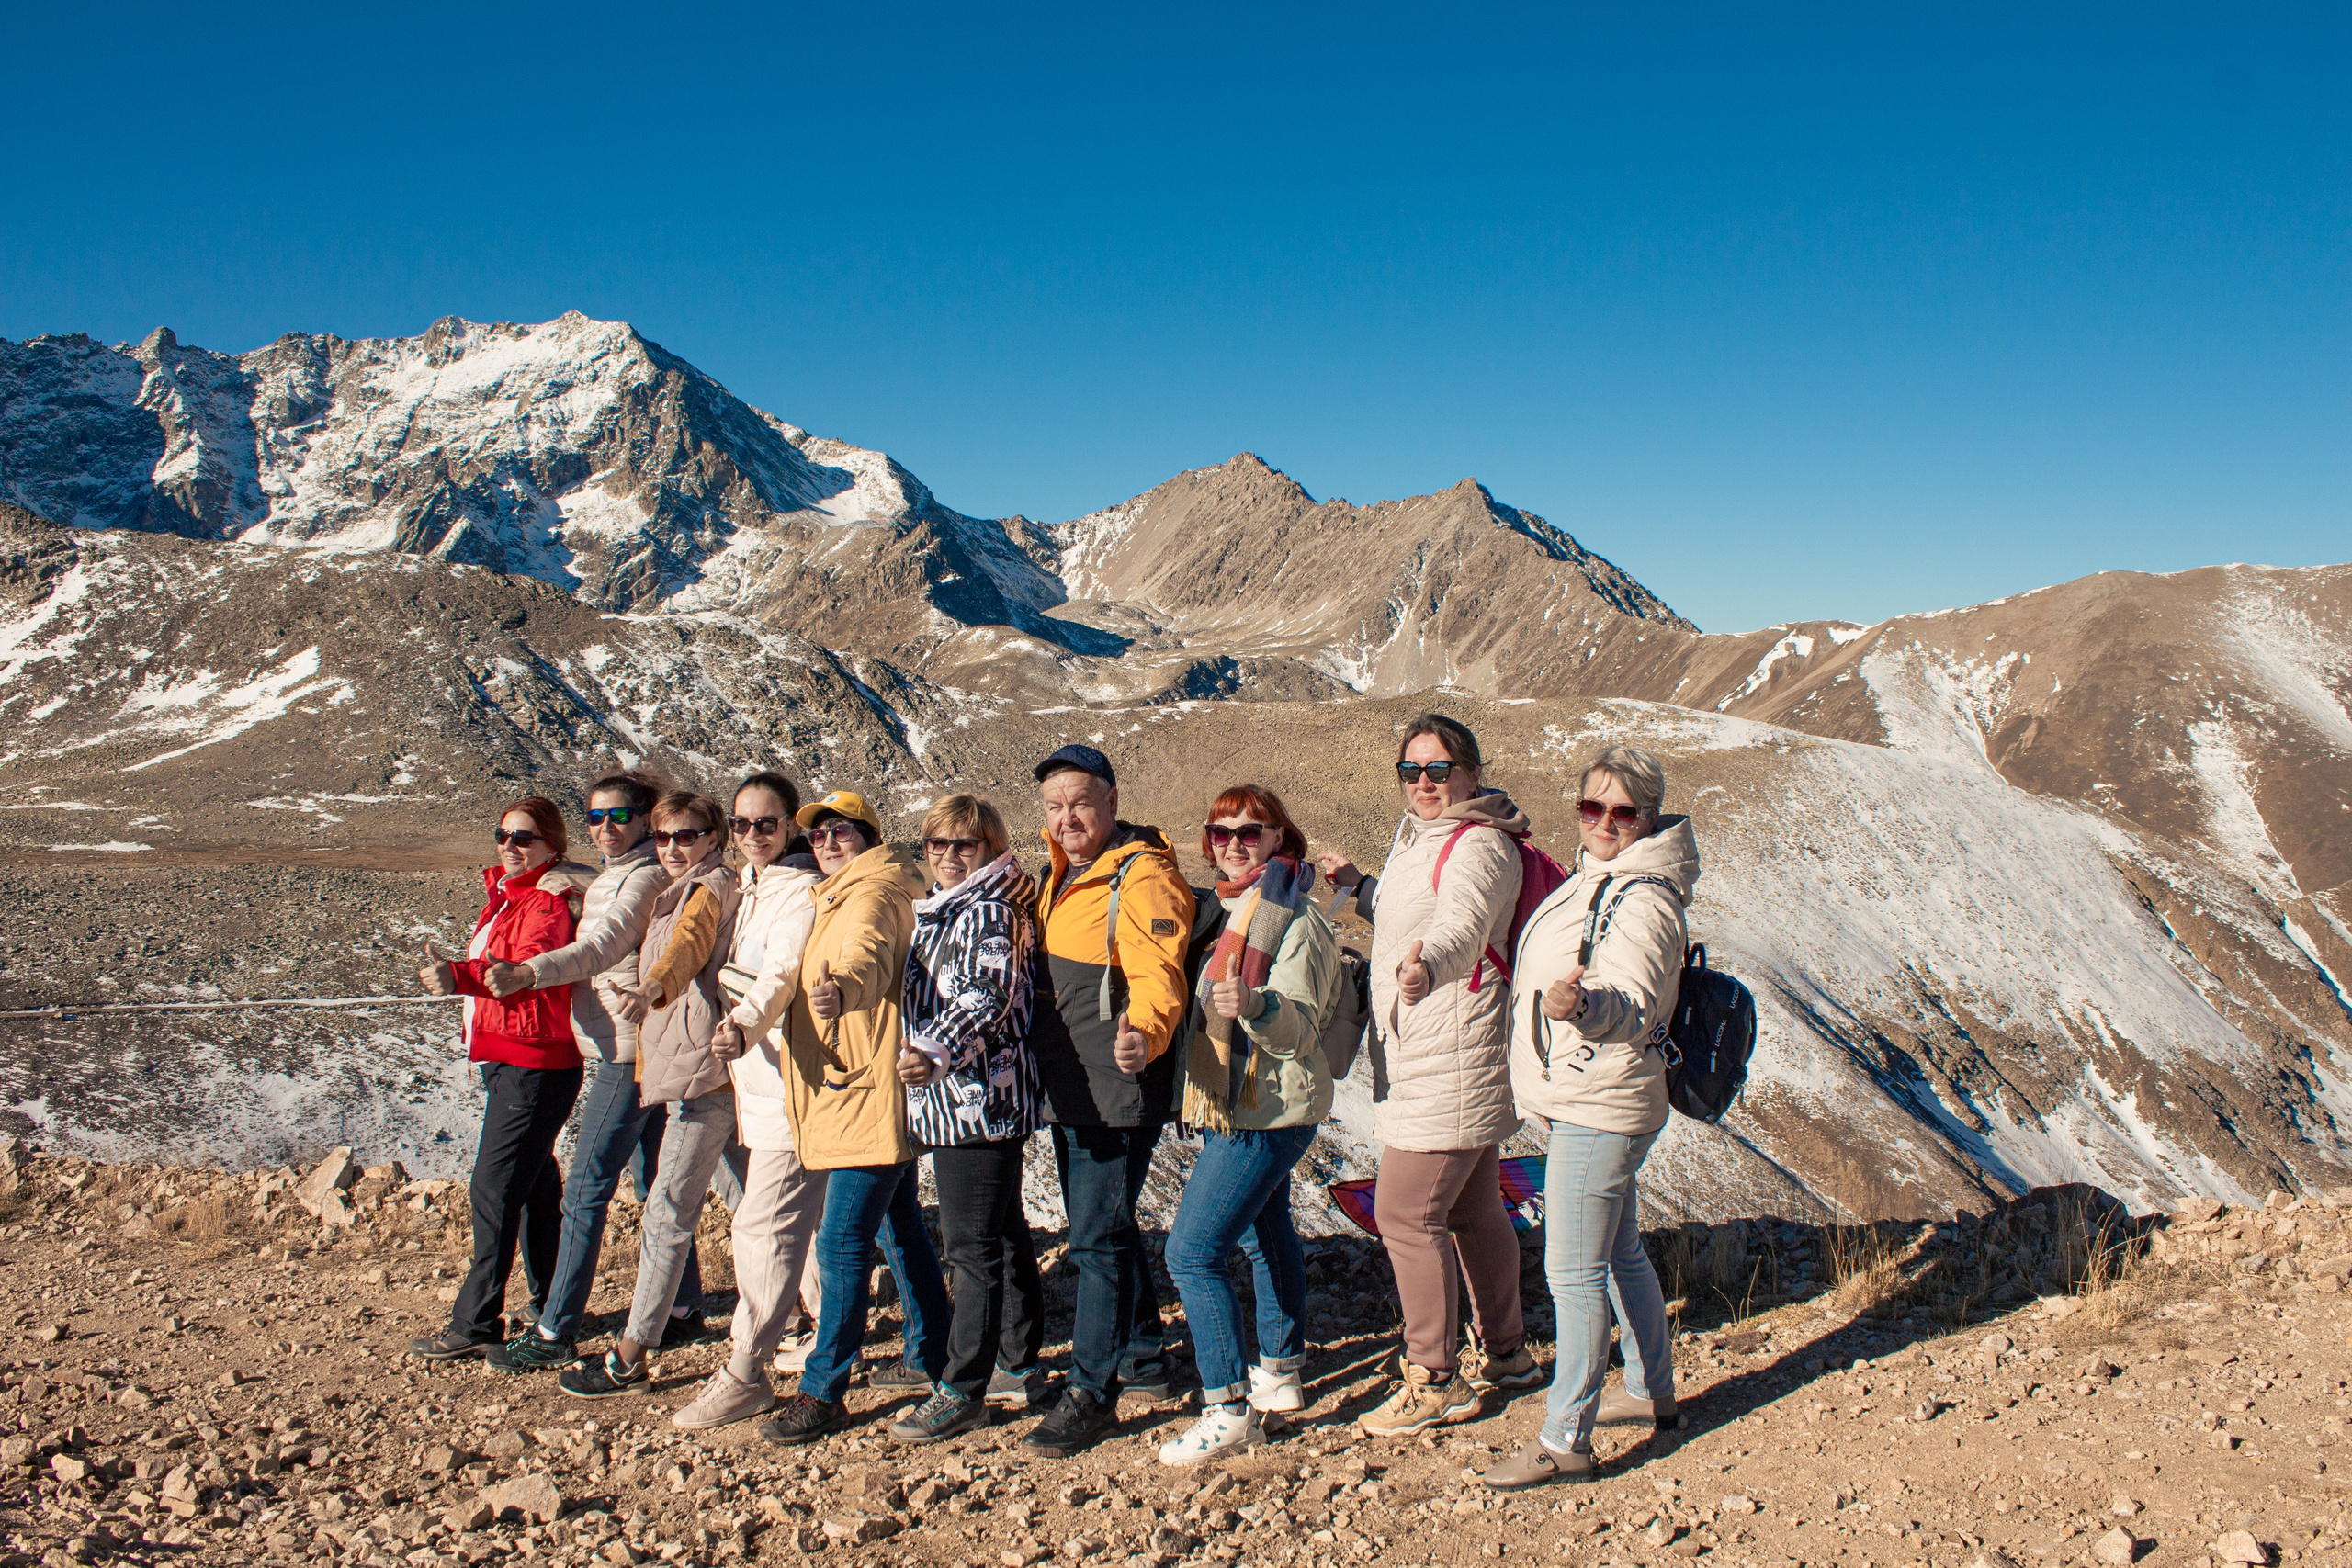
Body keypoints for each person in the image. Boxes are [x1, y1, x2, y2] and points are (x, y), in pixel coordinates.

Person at [1315, 714, 1542, 1435]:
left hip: (1448, 1053)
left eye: (1438, 770)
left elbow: (1462, 927)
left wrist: (1426, 968)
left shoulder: (1479, 843)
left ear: (1470, 772)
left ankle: (1432, 1374)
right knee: (1473, 1211)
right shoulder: (1425, 835)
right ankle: (1507, 1353)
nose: (1423, 783)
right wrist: (1359, 887)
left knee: (1404, 1214)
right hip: (1432, 1053)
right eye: (1411, 771)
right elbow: (1413, 903)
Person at [1481, 745, 1698, 1489]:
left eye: (1623, 811)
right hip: (1602, 1094)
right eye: (1592, 807)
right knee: (1617, 1252)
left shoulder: (1642, 898)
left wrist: (1583, 1008)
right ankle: (1648, 1389)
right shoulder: (1604, 879)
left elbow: (1632, 1004)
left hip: (1600, 1102)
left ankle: (1564, 1436)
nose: (1605, 822)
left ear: (1648, 815)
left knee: (1571, 1272)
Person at [478, 771, 712, 1373]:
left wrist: (530, 972)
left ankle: (556, 1327)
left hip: (625, 1051)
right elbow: (610, 897)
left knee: (586, 1188)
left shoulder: (638, 876)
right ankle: (682, 1306)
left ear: (643, 818)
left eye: (619, 816)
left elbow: (605, 943)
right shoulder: (627, 871)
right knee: (655, 1180)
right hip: (641, 1044)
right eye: (595, 816)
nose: (605, 827)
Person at [756, 791, 948, 1447]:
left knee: (841, 1244)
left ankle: (823, 1388)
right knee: (899, 1228)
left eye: (841, 832)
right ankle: (931, 1349)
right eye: (817, 836)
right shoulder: (842, 892)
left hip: (866, 1090)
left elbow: (865, 958)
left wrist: (843, 992)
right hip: (862, 1084)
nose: (828, 843)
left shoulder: (867, 895)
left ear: (867, 836)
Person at [1159, 785, 1341, 1465]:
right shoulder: (1233, 912)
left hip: (1267, 1110)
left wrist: (1258, 1004)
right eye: (1221, 831)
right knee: (1266, 1233)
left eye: (1250, 829)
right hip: (1238, 1100)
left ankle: (1225, 1405)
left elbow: (1302, 1027)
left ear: (1279, 837)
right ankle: (1281, 1368)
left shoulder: (1298, 920)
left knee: (1192, 1252)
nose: (1234, 841)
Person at [1022, 744, 1196, 1457]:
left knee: (1095, 1235)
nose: (1068, 817)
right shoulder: (1063, 872)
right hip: (1073, 1084)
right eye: (1056, 806)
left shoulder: (1142, 877)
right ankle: (1145, 1353)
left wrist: (1145, 1036)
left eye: (1081, 803)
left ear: (1113, 801)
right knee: (1108, 1225)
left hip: (1115, 1085)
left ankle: (1091, 1391)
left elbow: (1161, 977)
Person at [559, 792, 744, 1397]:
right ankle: (799, 1317)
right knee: (748, 1202)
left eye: (686, 835)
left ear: (714, 836)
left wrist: (656, 986)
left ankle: (631, 1352)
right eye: (663, 836)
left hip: (700, 1072)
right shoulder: (690, 882)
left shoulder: (705, 888)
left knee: (667, 1208)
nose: (672, 847)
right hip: (703, 1062)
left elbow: (688, 945)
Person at [886, 795, 1048, 1443]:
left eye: (966, 845)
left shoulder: (985, 910)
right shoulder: (950, 907)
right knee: (1002, 1234)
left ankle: (962, 1387)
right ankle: (1017, 1361)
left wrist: (933, 1047)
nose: (950, 856)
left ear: (991, 848)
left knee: (971, 1248)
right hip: (973, 1099)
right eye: (938, 844)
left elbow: (986, 992)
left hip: (974, 1098)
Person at [408, 797, 594, 1360]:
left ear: (552, 847)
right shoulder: (511, 895)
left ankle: (477, 1320)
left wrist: (459, 976)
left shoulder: (547, 901)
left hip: (534, 1058)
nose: (510, 846)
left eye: (525, 838)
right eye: (503, 835)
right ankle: (552, 1301)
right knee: (534, 1184)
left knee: (494, 1188)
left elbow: (527, 968)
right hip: (513, 1055)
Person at [669, 772, 827, 1429]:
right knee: (807, 1225)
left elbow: (782, 973)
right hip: (759, 1085)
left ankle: (745, 1371)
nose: (753, 835)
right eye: (741, 824)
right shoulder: (749, 889)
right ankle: (823, 1330)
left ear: (790, 824)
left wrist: (745, 1024)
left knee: (761, 1225)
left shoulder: (798, 892)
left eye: (766, 823)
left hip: (791, 1086)